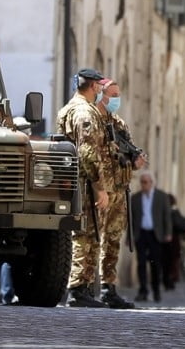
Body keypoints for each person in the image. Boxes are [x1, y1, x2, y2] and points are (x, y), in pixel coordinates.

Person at [56, 67, 116, 308]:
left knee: (86, 234)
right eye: (100, 86)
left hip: (72, 181)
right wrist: (99, 187)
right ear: (93, 87)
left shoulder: (68, 108)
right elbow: (89, 153)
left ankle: (83, 288)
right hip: (84, 184)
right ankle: (78, 288)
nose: (101, 90)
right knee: (86, 235)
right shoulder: (84, 113)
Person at [93, 77, 145, 309]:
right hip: (100, 191)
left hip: (119, 191)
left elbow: (130, 154)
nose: (116, 99)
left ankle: (108, 288)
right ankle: (82, 287)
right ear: (100, 94)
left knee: (112, 241)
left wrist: (137, 161)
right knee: (91, 240)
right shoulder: (92, 120)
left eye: (118, 95)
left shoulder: (119, 124)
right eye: (112, 95)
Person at [129, 172, 173, 303]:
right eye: (142, 182)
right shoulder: (135, 198)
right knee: (141, 263)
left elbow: (167, 216)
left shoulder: (161, 196)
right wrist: (129, 237)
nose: (144, 185)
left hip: (155, 235)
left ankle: (156, 291)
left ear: (152, 183)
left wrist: (168, 233)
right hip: (140, 234)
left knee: (155, 265)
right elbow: (131, 219)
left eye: (146, 182)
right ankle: (143, 290)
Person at [163, 193, 185, 290]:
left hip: (168, 240)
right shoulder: (174, 211)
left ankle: (169, 279)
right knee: (173, 260)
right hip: (174, 240)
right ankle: (172, 278)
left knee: (168, 261)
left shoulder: (167, 212)